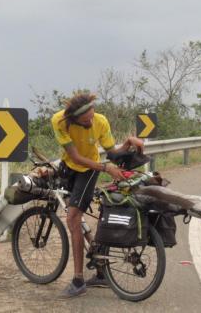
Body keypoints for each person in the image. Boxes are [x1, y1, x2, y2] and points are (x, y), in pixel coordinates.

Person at [51, 92, 144, 298]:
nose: (90, 121)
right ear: (73, 119)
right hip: (70, 166)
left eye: (92, 117)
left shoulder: (100, 121)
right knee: (76, 216)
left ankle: (77, 280)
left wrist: (128, 143)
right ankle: (101, 269)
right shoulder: (59, 121)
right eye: (85, 121)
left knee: (73, 218)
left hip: (89, 169)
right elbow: (75, 156)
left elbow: (112, 154)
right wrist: (106, 168)